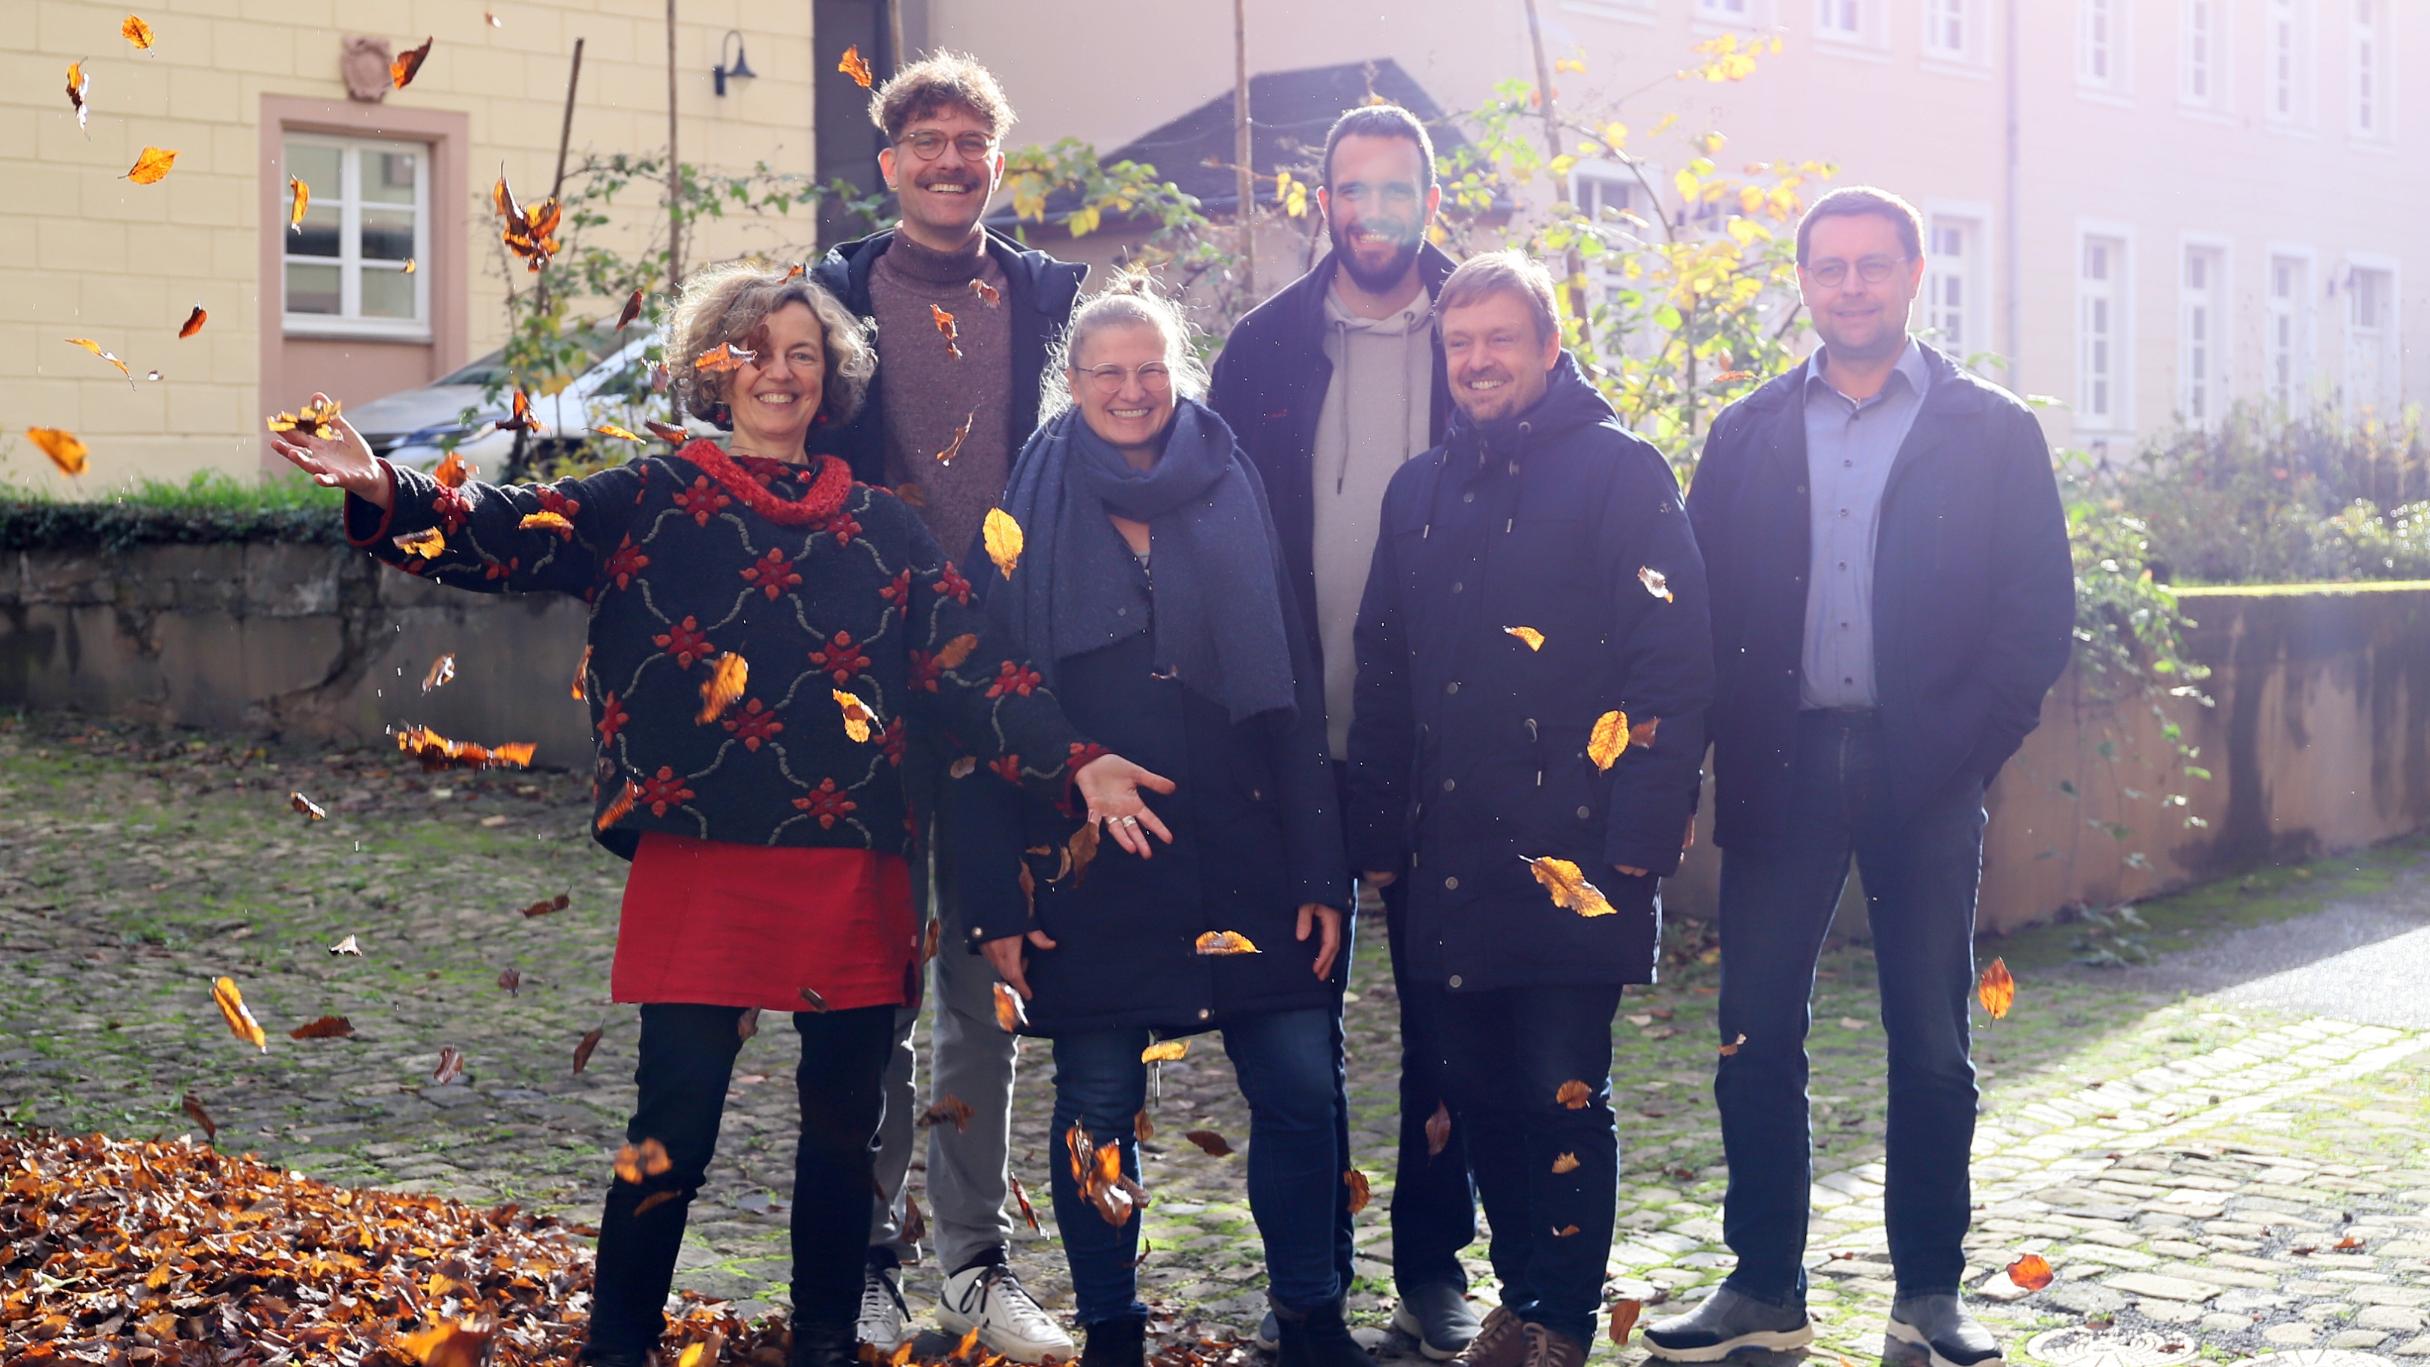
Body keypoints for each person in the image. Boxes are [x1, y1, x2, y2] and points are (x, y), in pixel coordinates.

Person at [269, 263, 1170, 1367]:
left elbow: (971, 667)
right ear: (716, 366)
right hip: (700, 854)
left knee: (845, 1131)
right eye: (753, 349)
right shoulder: (651, 495)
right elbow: (510, 529)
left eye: (801, 352)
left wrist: (1077, 762)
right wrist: (386, 490)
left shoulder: (885, 531)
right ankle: (617, 1345)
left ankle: (826, 1341)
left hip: (849, 860)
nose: (778, 372)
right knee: (672, 1125)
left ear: (829, 375)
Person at [1643, 186, 2073, 1367]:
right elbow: (1692, 614)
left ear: (1916, 272)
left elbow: (2037, 614)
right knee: (1753, 1033)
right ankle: (1764, 1288)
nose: (1850, 287)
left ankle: (1928, 1295)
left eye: (1872, 266)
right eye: (1828, 267)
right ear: (1803, 281)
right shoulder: (1746, 433)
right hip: (1781, 764)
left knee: (1930, 1037)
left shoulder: (1990, 430)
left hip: (1924, 767)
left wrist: (1965, 748)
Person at [960, 278, 1363, 1367]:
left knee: (1296, 1083)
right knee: (1095, 1099)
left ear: (1175, 373)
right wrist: (995, 894)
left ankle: (1313, 1317)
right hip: (1088, 862)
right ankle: (1112, 1331)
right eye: (1108, 373)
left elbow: (1296, 684)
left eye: (1151, 369)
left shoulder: (1235, 482)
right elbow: (980, 700)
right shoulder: (1023, 507)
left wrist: (1323, 869)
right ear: (1073, 384)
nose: (1133, 390)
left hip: (1250, 851)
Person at [1347, 252, 1712, 1367]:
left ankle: (1558, 1311)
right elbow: (1384, 668)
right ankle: (1522, 1293)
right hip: (1445, 852)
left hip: (1580, 847)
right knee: (1472, 1086)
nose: (1479, 361)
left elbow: (1672, 663)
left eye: (1502, 339)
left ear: (1551, 347)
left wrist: (1643, 835)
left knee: (1560, 1088)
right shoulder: (1417, 490)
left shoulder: (1621, 474)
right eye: (1461, 344)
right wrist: (1375, 835)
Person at [810, 52, 1089, 1360]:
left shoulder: (1049, 297)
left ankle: (978, 1264)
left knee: (986, 980)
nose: (948, 163)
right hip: (865, 688)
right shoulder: (829, 296)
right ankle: (868, 1260)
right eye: (924, 143)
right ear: (889, 164)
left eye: (970, 143)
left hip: (1006, 689)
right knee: (867, 981)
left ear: (995, 158)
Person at [1207, 103, 1477, 1361]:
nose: (1375, 212)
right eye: (1352, 190)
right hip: (1291, 742)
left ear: (1432, 196)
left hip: (1441, 747)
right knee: (1296, 1047)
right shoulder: (1263, 348)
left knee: (1445, 1025)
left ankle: (1433, 1272)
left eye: (1399, 189)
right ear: (1325, 203)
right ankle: (1304, 1289)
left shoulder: (1484, 333)